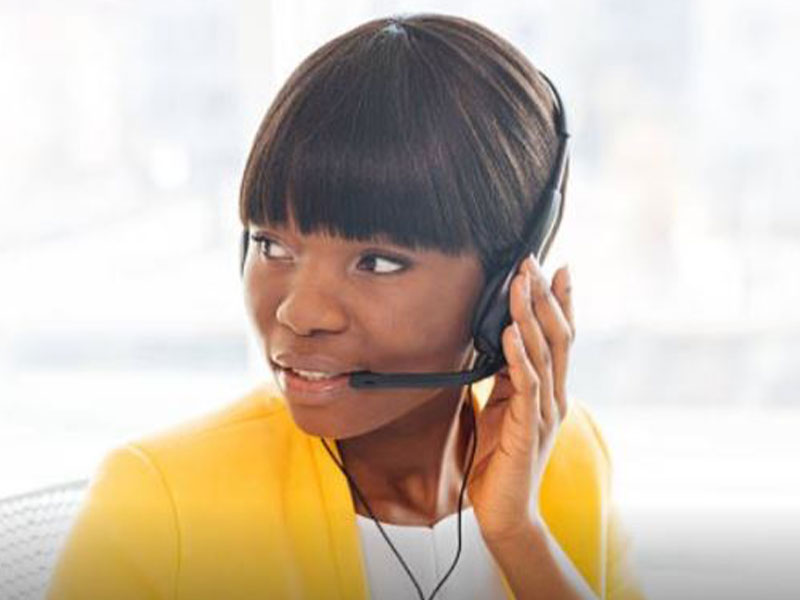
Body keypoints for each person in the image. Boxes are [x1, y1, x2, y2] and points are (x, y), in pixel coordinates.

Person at [46, 13, 646, 600]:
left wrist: (520, 534)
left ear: (505, 285)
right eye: (272, 244)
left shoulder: (565, 459)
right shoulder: (159, 505)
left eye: (377, 262)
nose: (299, 314)